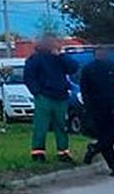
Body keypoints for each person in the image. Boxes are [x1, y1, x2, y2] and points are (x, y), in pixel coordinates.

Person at [24, 34, 77, 163]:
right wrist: (36, 92)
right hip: (44, 97)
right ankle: (38, 153)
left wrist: (61, 55)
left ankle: (63, 152)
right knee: (41, 126)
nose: (55, 44)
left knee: (61, 125)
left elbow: (73, 68)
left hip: (61, 97)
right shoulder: (36, 59)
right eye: (53, 42)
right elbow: (29, 77)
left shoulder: (60, 58)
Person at [79, 44, 114, 176]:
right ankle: (113, 167)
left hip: (113, 107)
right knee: (105, 136)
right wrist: (88, 107)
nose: (101, 54)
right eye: (99, 52)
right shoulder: (88, 69)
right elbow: (85, 90)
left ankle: (94, 148)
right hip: (98, 109)